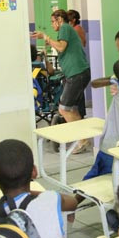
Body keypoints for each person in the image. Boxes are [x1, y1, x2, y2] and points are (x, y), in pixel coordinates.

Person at [32, 9, 91, 153]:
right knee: (72, 109)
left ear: (59, 20)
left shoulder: (65, 27)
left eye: (53, 21)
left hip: (77, 74)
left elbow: (61, 47)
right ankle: (82, 139)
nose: (52, 24)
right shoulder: (64, 32)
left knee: (63, 108)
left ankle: (82, 140)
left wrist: (45, 37)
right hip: (78, 73)